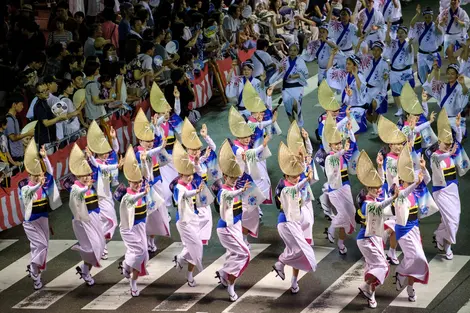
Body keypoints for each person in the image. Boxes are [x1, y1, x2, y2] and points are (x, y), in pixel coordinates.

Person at [272, 142, 317, 294]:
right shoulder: (284, 188)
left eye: (297, 175)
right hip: (287, 222)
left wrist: (302, 159)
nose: (296, 177)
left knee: (299, 251)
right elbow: (295, 188)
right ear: (285, 175)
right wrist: (305, 178)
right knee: (301, 250)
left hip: (299, 219)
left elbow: (302, 175)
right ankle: (281, 262)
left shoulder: (297, 178)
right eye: (293, 175)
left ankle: (293, 279)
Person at [355, 150, 397, 308]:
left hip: (374, 237)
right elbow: (381, 205)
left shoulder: (375, 194)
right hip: (366, 239)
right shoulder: (368, 204)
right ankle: (367, 288)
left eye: (379, 188)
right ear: (368, 189)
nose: (379, 190)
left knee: (375, 267)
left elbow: (381, 180)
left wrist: (380, 167)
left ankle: (369, 292)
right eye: (375, 189)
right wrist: (393, 198)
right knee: (383, 267)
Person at [21, 140, 61, 290]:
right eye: (36, 174)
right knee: (41, 245)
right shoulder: (25, 188)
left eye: (40, 173)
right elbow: (30, 192)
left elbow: (50, 174)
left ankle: (36, 276)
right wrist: (38, 183)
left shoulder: (44, 184)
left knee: (41, 247)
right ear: (30, 174)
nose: (40, 176)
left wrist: (45, 158)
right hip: (30, 222)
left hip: (43, 218)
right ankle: (33, 267)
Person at [215, 140, 251, 302]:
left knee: (235, 253)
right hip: (226, 228)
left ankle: (224, 272)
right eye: (231, 177)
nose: (234, 179)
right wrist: (240, 191)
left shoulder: (234, 187)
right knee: (245, 254)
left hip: (235, 225)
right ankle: (230, 285)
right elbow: (229, 196)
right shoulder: (223, 191)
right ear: (224, 176)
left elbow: (246, 176)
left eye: (236, 177)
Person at [228, 106, 269, 247]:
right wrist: (262, 146)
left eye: (248, 137)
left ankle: (243, 237)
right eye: (244, 137)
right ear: (238, 137)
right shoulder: (238, 149)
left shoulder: (242, 147)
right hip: (240, 183)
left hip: (246, 181)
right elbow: (250, 154)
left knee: (252, 210)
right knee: (247, 211)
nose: (247, 139)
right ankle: (241, 238)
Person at [431, 109, 469, 259]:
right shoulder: (435, 156)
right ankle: (447, 246)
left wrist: (458, 126)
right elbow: (442, 157)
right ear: (439, 142)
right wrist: (450, 152)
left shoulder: (451, 151)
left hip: (453, 189)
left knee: (455, 216)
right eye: (445, 143)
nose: (447, 145)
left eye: (449, 144)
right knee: (450, 219)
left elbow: (457, 142)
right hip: (440, 192)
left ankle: (440, 236)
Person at [394, 145, 429, 303]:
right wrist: (414, 183)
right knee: (416, 256)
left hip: (414, 227)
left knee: (416, 259)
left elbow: (425, 180)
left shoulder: (415, 188)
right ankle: (401, 271)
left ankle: (410, 286)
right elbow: (404, 193)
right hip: (403, 229)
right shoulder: (399, 190)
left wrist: (423, 169)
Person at [69, 144, 106, 287]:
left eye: (88, 174)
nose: (86, 177)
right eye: (83, 175)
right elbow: (77, 195)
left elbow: (98, 169)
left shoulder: (91, 184)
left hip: (94, 217)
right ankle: (85, 266)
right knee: (93, 247)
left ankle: (85, 270)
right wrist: (86, 188)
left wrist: (89, 157)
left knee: (100, 246)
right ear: (77, 176)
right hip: (82, 221)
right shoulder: (75, 188)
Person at [133, 108, 169, 253]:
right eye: (146, 141)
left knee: (158, 215)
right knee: (146, 215)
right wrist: (159, 146)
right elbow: (151, 152)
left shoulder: (153, 146)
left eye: (151, 141)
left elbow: (159, 136)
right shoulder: (138, 152)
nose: (149, 143)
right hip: (144, 188)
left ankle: (151, 240)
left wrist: (157, 123)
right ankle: (143, 241)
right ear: (140, 140)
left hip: (157, 182)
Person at [118, 145, 152, 297]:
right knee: (140, 252)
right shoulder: (127, 196)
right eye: (134, 182)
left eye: (139, 182)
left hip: (140, 226)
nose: (137, 185)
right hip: (128, 229)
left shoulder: (142, 186)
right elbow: (132, 199)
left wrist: (144, 162)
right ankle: (132, 281)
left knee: (144, 255)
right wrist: (142, 193)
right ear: (128, 181)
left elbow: (147, 176)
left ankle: (126, 266)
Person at [85, 121, 122, 259]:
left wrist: (113, 138)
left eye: (106, 153)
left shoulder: (107, 158)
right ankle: (101, 245)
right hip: (98, 196)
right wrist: (117, 166)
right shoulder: (96, 162)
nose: (106, 155)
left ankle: (99, 243)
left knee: (107, 221)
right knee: (110, 220)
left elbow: (116, 151)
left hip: (107, 195)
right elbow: (102, 167)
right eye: (103, 154)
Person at [180, 118, 219, 244]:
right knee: (199, 217)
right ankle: (193, 241)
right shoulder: (186, 161)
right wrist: (200, 159)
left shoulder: (199, 158)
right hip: (193, 192)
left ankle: (198, 240)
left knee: (207, 217)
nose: (196, 151)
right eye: (193, 150)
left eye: (197, 149)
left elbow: (212, 147)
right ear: (187, 149)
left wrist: (205, 136)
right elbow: (195, 166)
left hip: (203, 190)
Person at [172, 141, 205, 287]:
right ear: (180, 174)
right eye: (186, 176)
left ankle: (189, 275)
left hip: (194, 217)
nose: (190, 178)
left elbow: (201, 174)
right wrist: (195, 191)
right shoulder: (178, 187)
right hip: (184, 222)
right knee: (197, 245)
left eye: (190, 175)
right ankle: (181, 258)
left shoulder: (190, 183)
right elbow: (184, 196)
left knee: (192, 247)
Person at [323, 114, 356, 255]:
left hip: (345, 186)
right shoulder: (330, 158)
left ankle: (341, 243)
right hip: (334, 190)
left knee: (351, 215)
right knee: (342, 213)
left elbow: (353, 147)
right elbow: (336, 156)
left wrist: (350, 131)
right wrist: (342, 150)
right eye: (335, 144)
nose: (337, 146)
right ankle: (331, 227)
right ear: (330, 145)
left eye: (339, 143)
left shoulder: (342, 154)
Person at [376, 115, 407, 265]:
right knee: (391, 227)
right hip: (390, 197)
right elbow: (388, 179)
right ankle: (379, 248)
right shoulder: (389, 159)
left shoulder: (402, 156)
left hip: (401, 196)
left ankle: (392, 252)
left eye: (401, 144)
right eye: (395, 144)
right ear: (390, 144)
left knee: (396, 228)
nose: (399, 146)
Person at [423, 63, 469, 133]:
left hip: (456, 119)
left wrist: (463, 85)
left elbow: (465, 94)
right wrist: (434, 70)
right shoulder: (443, 86)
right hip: (444, 118)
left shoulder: (460, 87)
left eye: (452, 74)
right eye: (448, 73)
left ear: (457, 75)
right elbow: (430, 84)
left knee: (458, 141)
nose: (450, 76)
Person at [272, 43, 309, 126]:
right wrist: (280, 70)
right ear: (288, 51)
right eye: (291, 50)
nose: (292, 52)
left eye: (294, 50)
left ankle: (299, 116)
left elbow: (305, 74)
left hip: (297, 86)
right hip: (286, 87)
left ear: (297, 52)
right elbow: (279, 72)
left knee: (295, 104)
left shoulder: (300, 61)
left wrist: (296, 75)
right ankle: (293, 127)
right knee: (288, 108)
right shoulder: (284, 61)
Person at [359, 41, 389, 135]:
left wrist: (383, 92)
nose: (375, 52)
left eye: (378, 50)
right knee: (365, 111)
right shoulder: (368, 61)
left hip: (377, 89)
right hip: (368, 89)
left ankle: (377, 128)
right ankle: (377, 125)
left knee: (375, 107)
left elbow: (385, 79)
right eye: (374, 50)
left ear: (381, 51)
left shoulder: (383, 64)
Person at [384, 23, 414, 117]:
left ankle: (409, 108)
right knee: (396, 92)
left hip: (405, 71)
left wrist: (409, 44)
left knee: (408, 91)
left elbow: (409, 51)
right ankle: (400, 109)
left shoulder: (408, 44)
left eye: (402, 33)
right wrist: (388, 28)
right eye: (399, 32)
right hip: (394, 72)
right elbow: (387, 40)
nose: (400, 34)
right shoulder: (394, 43)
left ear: (406, 34)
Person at [409, 6, 443, 86]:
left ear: (432, 16)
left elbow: (440, 34)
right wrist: (417, 14)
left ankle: (435, 88)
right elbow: (412, 24)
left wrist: (437, 26)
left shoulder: (436, 25)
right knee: (422, 74)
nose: (428, 18)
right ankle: (425, 88)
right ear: (423, 17)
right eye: (426, 17)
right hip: (422, 55)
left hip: (433, 54)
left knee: (436, 71)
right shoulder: (420, 26)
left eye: (429, 17)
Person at [5, 94, 34, 164]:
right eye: (21, 104)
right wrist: (28, 133)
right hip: (14, 156)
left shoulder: (14, 118)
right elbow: (13, 138)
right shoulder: (9, 119)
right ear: (14, 104)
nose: (23, 107)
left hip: (18, 154)